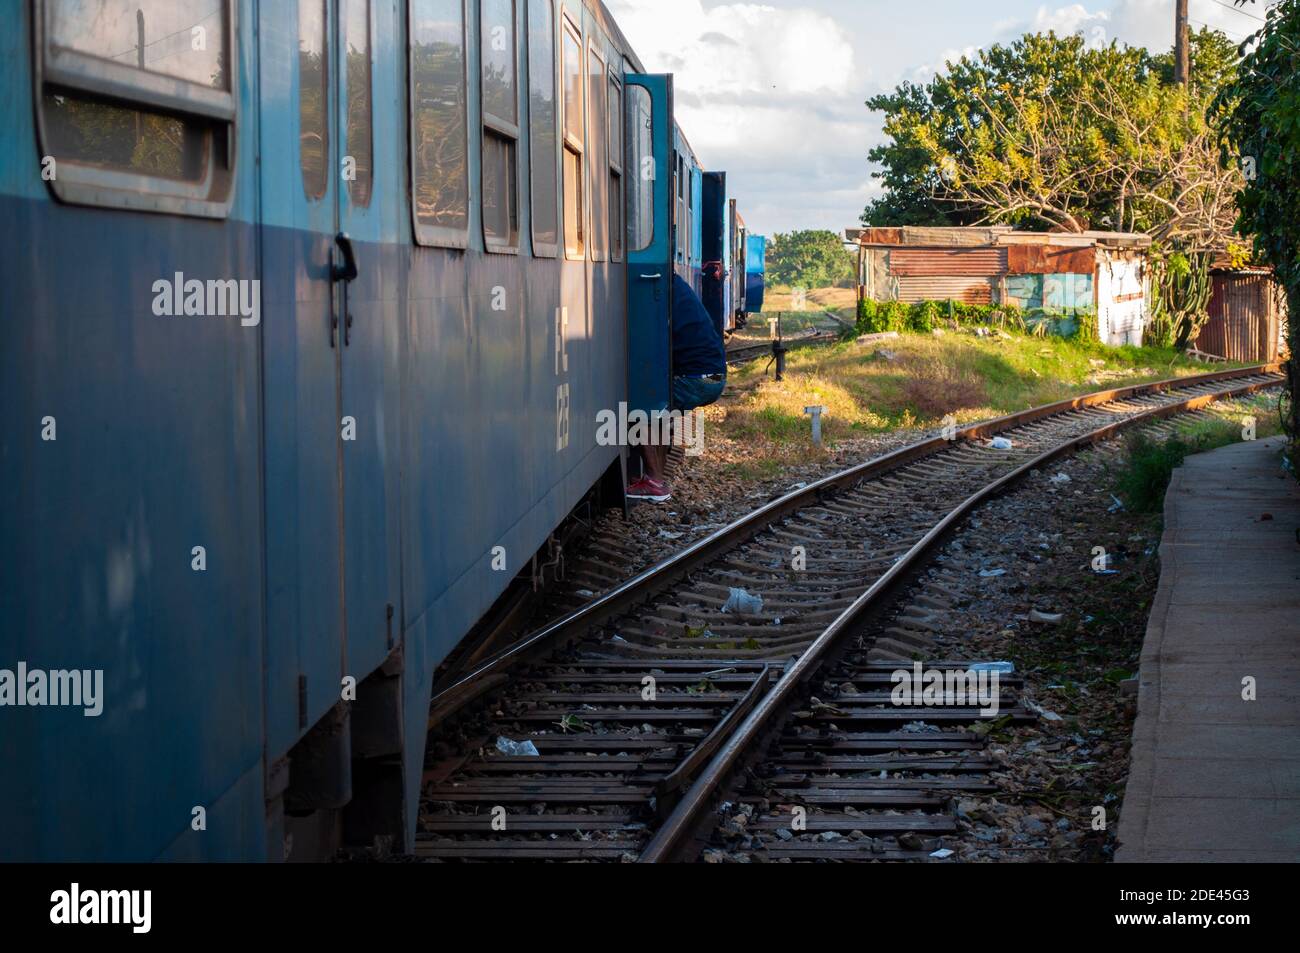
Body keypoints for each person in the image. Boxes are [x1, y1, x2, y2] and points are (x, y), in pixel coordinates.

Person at [627, 273, 727, 503]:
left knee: (643, 406)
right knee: (659, 413)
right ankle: (656, 478)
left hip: (697, 379)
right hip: (710, 376)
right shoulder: (676, 287)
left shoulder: (660, 291)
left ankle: (655, 481)